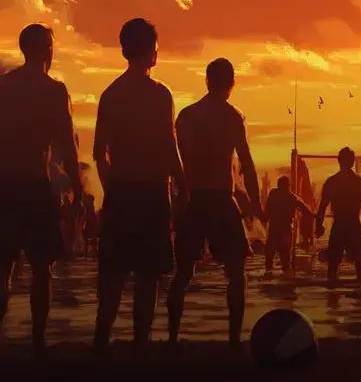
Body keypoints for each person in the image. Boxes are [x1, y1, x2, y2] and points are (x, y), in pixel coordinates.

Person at [93, 18, 185, 352]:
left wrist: (111, 189)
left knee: (113, 274)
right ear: (150, 51)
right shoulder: (160, 95)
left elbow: (98, 153)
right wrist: (182, 186)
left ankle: (102, 339)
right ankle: (140, 343)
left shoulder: (110, 94)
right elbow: (169, 145)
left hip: (122, 190)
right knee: (148, 275)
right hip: (151, 192)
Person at [0, 24, 83, 354]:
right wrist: (76, 186)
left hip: (4, 183)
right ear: (47, 49)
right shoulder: (53, 90)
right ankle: (37, 338)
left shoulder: (4, 86)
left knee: (3, 265)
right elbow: (67, 145)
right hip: (34, 184)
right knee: (41, 266)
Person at [167, 58, 261, 347]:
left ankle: (172, 337)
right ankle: (233, 338)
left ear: (207, 81)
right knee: (236, 272)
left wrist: (176, 199)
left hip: (193, 198)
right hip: (220, 198)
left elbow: (173, 159)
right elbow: (246, 161)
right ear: (232, 83)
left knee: (183, 272)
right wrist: (256, 204)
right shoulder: (233, 116)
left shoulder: (187, 115)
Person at [315, 147, 361, 282]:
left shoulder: (333, 182)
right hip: (353, 225)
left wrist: (319, 226)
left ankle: (333, 298)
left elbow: (322, 208)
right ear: (352, 161)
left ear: (339, 161)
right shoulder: (357, 181)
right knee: (358, 265)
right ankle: (359, 295)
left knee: (334, 266)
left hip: (342, 226)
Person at [263, 176, 313, 273]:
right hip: (284, 228)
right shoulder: (290, 197)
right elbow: (305, 209)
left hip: (276, 227)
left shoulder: (275, 195)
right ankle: (284, 275)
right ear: (287, 186)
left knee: (271, 256)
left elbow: (267, 210)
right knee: (284, 257)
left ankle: (270, 273)